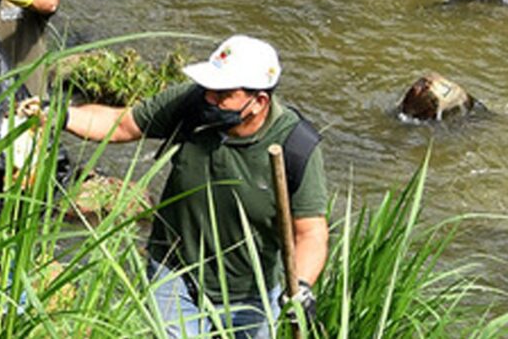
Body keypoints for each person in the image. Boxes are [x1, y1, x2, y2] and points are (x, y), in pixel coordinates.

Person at [61, 35, 328, 338]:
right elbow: (122, 125)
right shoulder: (190, 105)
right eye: (209, 88)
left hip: (250, 295)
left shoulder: (296, 146)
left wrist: (302, 286)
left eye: (223, 93)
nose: (209, 98)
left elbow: (311, 232)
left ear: (259, 102)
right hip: (174, 278)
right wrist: (62, 115)